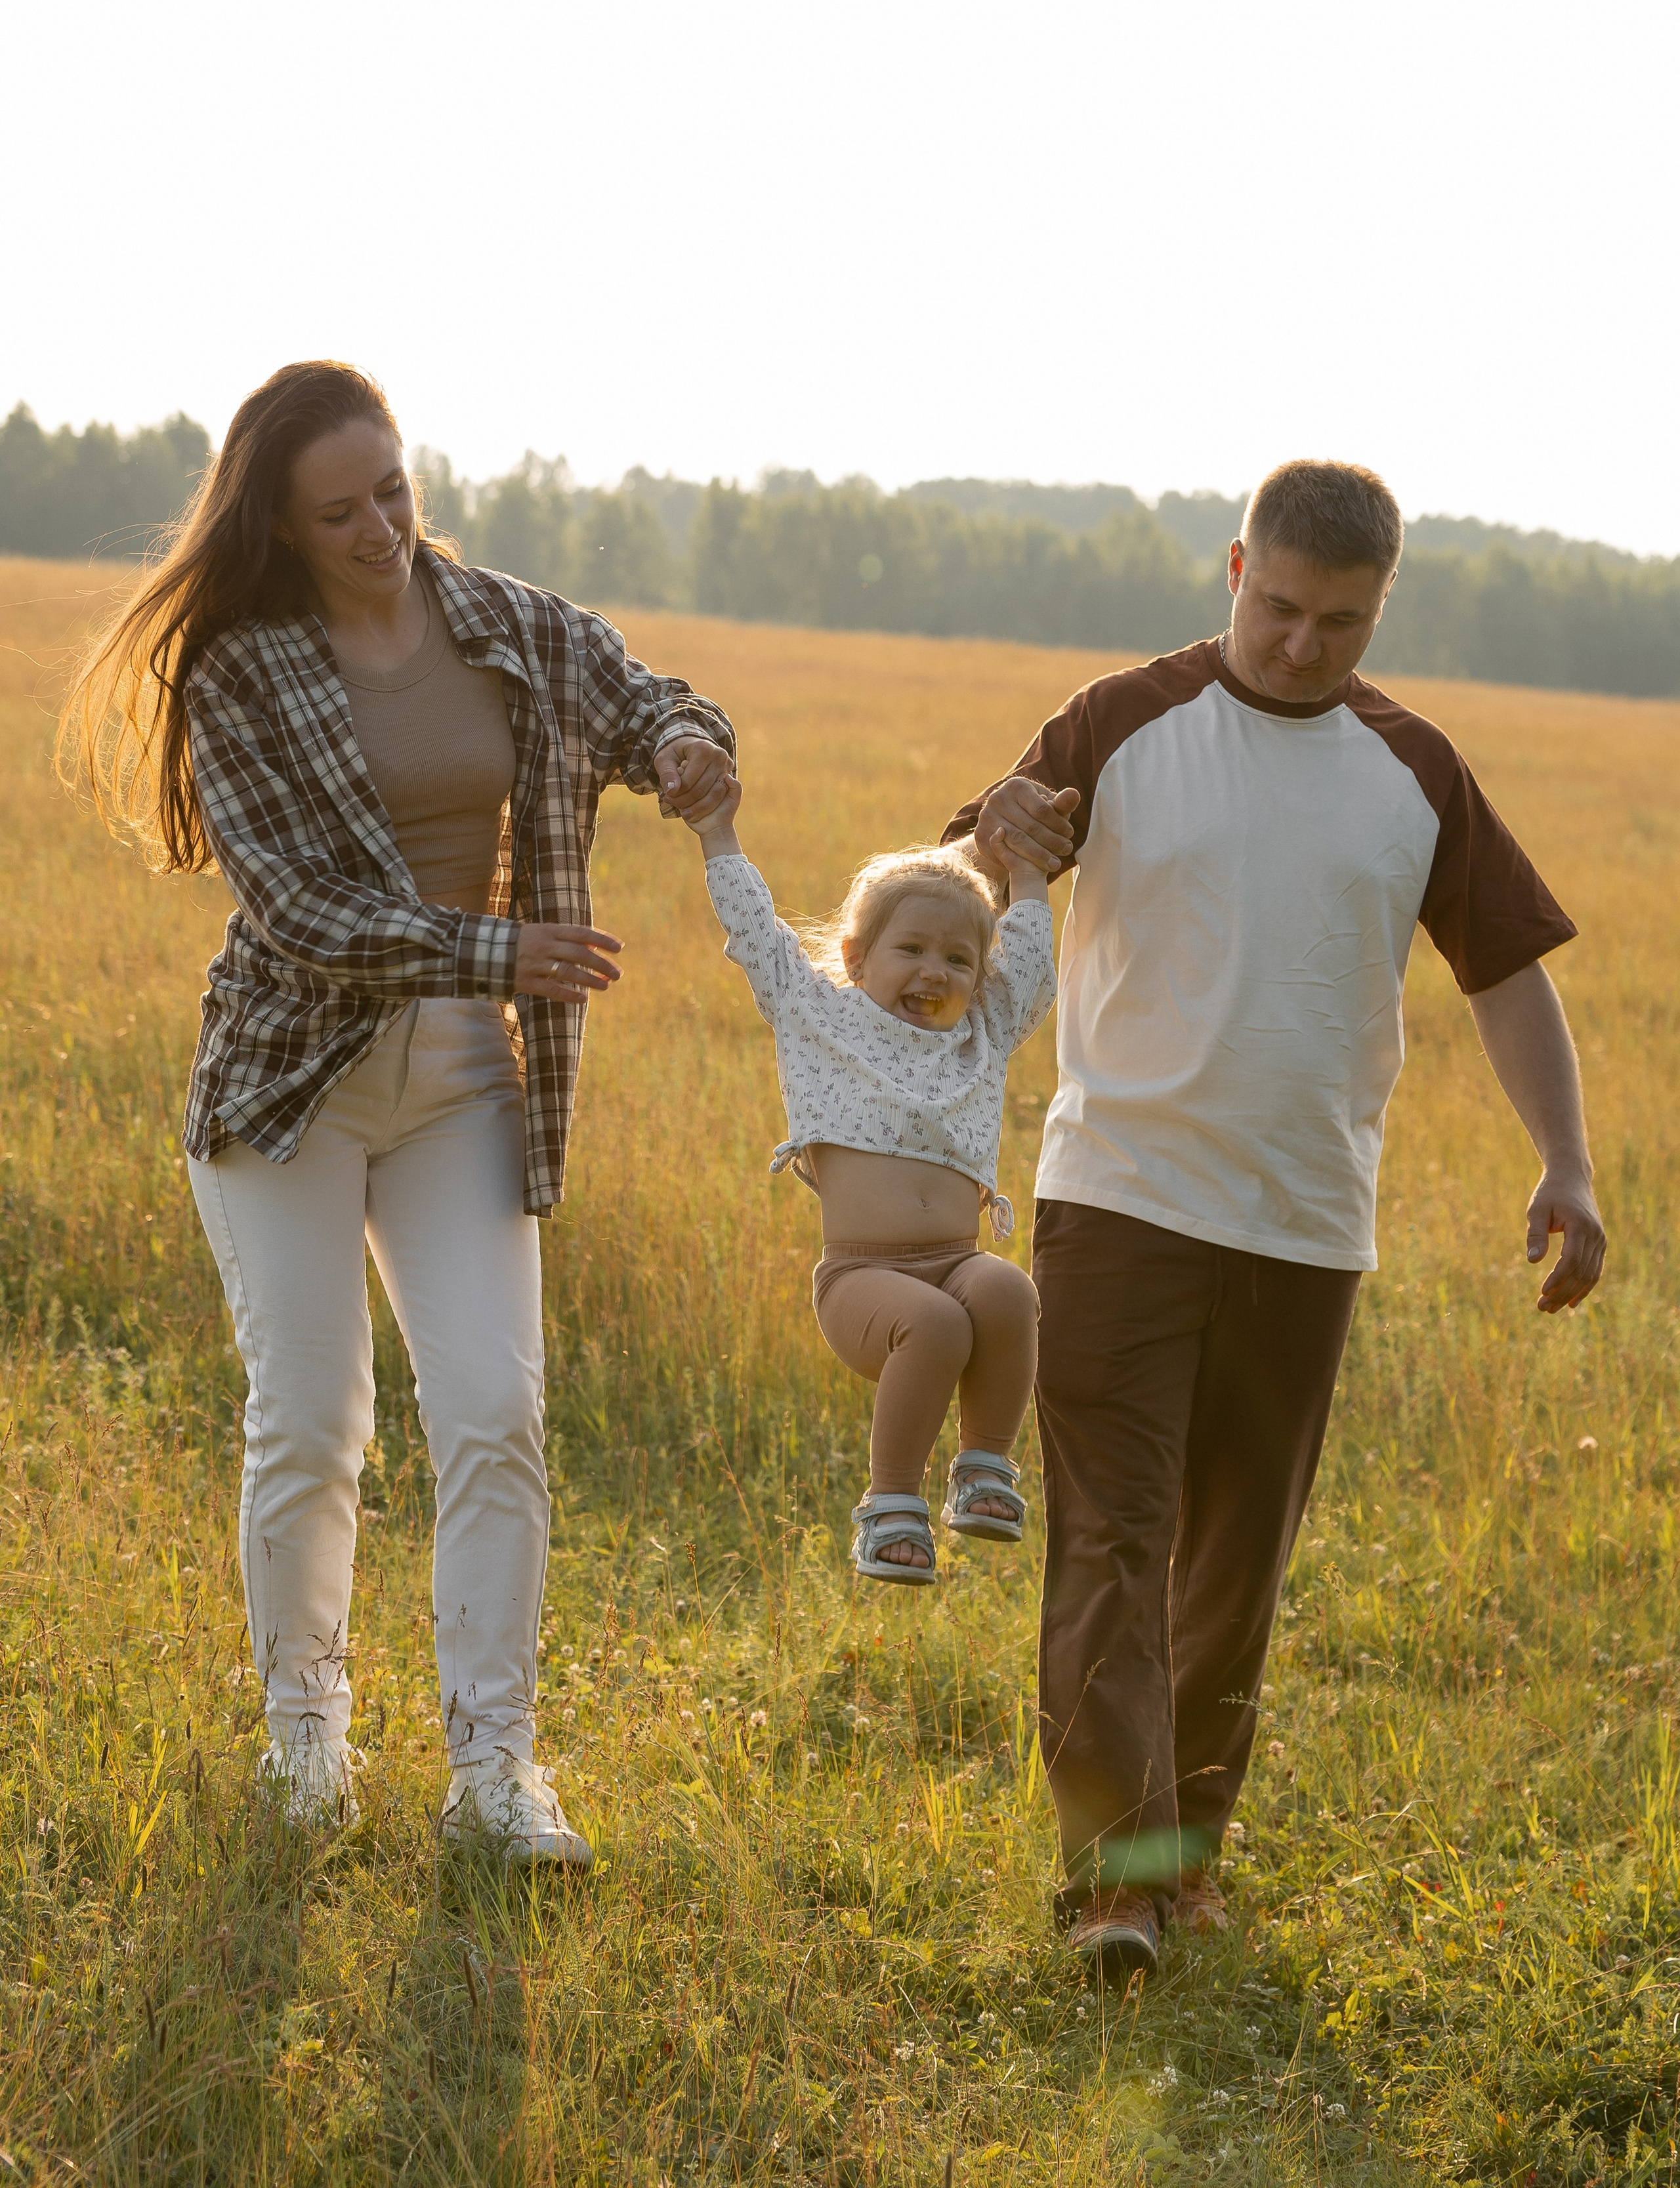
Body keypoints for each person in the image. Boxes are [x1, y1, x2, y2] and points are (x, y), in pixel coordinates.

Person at [60, 359, 736, 1859]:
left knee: (496, 1413)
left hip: (460, 1083)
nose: (378, 525)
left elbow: (642, 699)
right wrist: (498, 947)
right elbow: (299, 906)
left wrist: (688, 745)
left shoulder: (504, 621)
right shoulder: (240, 666)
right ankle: (306, 1742)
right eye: (339, 508)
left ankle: (496, 1773)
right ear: (280, 521)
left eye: (393, 490)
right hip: (289, 1086)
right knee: (313, 1422)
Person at [944, 458, 1606, 1978]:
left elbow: (1503, 969)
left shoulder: (1414, 768)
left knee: (1234, 1554)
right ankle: (1112, 1884)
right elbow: (985, 870)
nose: (1303, 646)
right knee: (1112, 1531)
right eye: (1281, 609)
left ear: (1379, 609)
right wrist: (998, 845)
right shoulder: (1119, 719)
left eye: (1342, 624)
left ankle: (1181, 1870)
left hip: (1307, 1220)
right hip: (1114, 1193)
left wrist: (1563, 1158)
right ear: (1234, 566)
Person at [683, 774, 1066, 1579]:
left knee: (1005, 1291)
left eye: (958, 959)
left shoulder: (981, 1036)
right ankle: (890, 1507)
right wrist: (718, 834)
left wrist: (1028, 875)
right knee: (933, 1324)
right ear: (856, 958)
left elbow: (1027, 966)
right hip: (864, 1280)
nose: (935, 971)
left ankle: (983, 1471)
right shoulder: (818, 1015)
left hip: (955, 1261)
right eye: (913, 950)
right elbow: (757, 931)